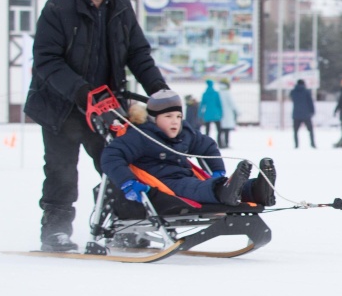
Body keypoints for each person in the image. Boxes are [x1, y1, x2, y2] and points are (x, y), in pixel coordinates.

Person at [24, 0, 169, 251]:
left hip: (106, 105)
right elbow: (46, 59)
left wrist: (158, 90)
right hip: (61, 104)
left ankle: (125, 224)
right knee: (61, 168)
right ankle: (55, 230)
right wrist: (81, 92)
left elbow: (138, 54)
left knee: (116, 163)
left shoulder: (120, 7)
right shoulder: (59, 6)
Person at [100, 89, 274, 208]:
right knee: (197, 188)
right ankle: (225, 190)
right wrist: (128, 182)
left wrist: (217, 172)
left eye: (178, 116)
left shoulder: (184, 133)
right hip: (163, 185)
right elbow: (111, 157)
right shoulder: (140, 136)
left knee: (201, 185)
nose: (175, 121)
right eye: (168, 116)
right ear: (153, 119)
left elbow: (207, 146)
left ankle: (255, 190)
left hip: (187, 177)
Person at [290, 79, 316, 148]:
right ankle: (312, 144)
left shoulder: (293, 92)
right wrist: (312, 111)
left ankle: (296, 145)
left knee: (295, 131)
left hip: (296, 114)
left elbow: (292, 98)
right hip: (306, 114)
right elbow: (310, 102)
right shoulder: (306, 92)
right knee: (310, 130)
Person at [216, 80, 237, 148]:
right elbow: (232, 104)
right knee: (227, 130)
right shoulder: (227, 93)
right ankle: (226, 143)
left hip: (219, 114)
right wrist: (237, 111)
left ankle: (220, 144)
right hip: (227, 114)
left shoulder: (218, 93)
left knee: (220, 130)